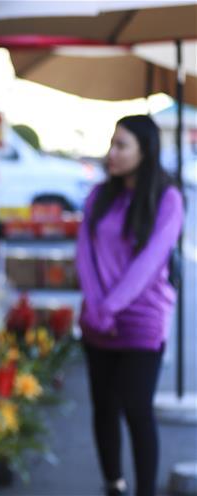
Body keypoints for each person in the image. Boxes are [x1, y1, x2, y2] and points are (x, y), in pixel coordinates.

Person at [76, 114, 184, 496]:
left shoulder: (167, 199)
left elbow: (151, 261)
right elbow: (84, 256)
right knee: (103, 407)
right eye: (112, 143)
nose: (113, 153)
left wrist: (110, 307)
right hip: (95, 319)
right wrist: (95, 306)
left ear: (145, 150)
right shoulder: (98, 197)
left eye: (122, 145)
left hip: (142, 321)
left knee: (137, 409)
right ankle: (114, 484)